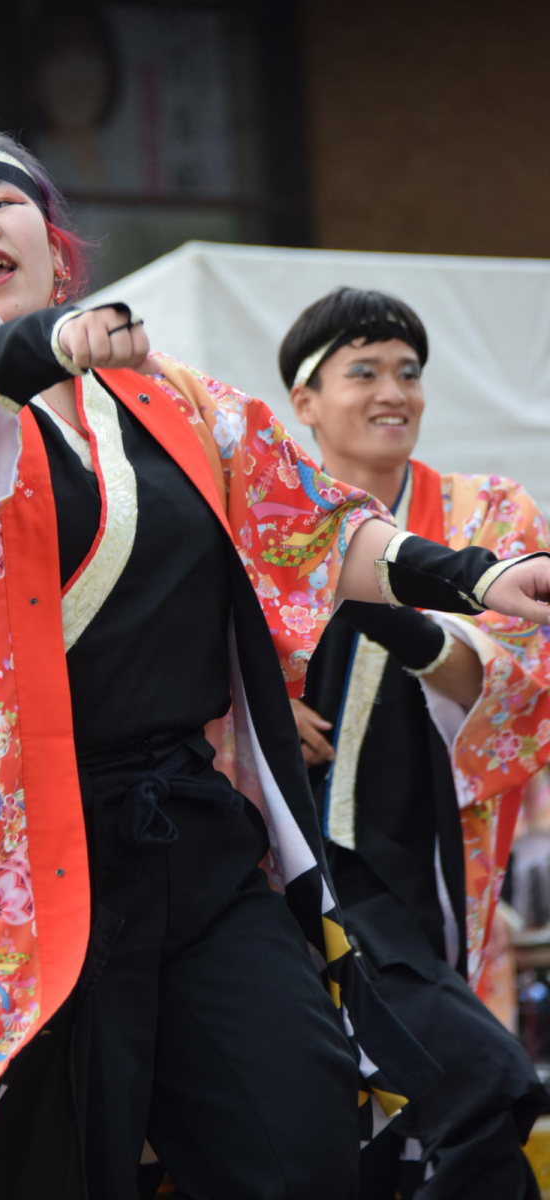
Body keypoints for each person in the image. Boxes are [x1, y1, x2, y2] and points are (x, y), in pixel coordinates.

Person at [0, 126, 550, 1200]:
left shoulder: (172, 398)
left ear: (56, 240)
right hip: (21, 868)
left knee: (295, 1131)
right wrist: (36, 347)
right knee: (47, 1162)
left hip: (189, 830)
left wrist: (471, 578)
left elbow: (308, 525)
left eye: (2, 201)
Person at [279, 286, 550, 1198]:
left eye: (408, 371)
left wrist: (400, 605)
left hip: (432, 848)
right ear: (304, 401)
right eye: (364, 370)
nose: (394, 390)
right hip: (290, 858)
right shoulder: (266, 523)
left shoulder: (486, 516)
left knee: (470, 1089)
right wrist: (256, 710)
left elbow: (521, 680)